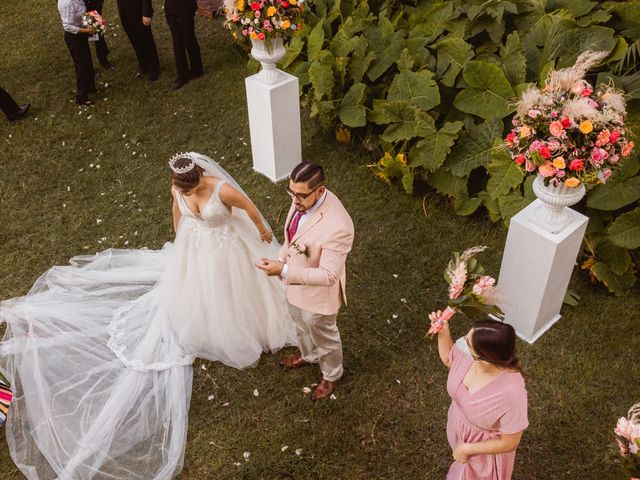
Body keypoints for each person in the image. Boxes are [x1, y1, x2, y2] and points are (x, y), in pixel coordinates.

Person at [0, 152, 295, 479]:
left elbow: (248, 207)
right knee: (202, 289)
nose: (186, 193)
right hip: (199, 246)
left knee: (235, 287)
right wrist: (181, 237)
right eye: (183, 190)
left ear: (198, 176)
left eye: (190, 187)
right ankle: (211, 319)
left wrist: (260, 229)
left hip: (229, 247)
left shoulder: (220, 188)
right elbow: (176, 211)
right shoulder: (178, 190)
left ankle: (249, 320)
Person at [257, 162, 355, 401]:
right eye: (291, 193)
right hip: (294, 283)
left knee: (324, 335)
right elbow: (293, 236)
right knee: (300, 324)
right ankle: (309, 355)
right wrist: (283, 257)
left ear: (320, 191)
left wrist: (285, 269)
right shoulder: (302, 198)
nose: (294, 200)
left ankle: (331, 374)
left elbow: (329, 275)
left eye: (300, 195)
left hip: (319, 296)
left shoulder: (338, 226)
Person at [437, 319, 528, 479]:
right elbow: (448, 358)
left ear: (485, 358)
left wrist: (467, 449)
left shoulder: (511, 393)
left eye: (467, 343)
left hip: (483, 454)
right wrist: (443, 331)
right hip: (459, 428)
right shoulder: (469, 356)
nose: (462, 342)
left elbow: (510, 442)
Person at [57, 0, 97, 105]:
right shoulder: (66, 3)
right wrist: (87, 31)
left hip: (80, 33)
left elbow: (83, 10)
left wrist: (94, 23)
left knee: (87, 61)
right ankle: (81, 97)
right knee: (81, 66)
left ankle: (91, 87)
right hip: (74, 38)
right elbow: (68, 26)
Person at [116, 0, 160, 80]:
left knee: (146, 40)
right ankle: (143, 65)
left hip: (138, 12)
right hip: (125, 13)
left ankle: (153, 67)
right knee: (135, 41)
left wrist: (147, 13)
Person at [165, 0, 203, 90]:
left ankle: (196, 69)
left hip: (185, 8)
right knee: (178, 41)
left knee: (189, 38)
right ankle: (183, 73)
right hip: (171, 9)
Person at [84, 0, 112, 69]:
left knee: (98, 32)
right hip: (84, 7)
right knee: (93, 34)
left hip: (94, 4)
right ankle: (102, 59)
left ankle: (103, 56)